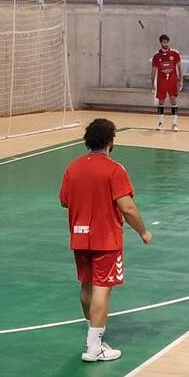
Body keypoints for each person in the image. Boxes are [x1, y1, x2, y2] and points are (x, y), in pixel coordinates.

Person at [59, 118, 152, 362]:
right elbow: (128, 207)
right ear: (110, 141)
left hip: (79, 236)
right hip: (106, 237)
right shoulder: (114, 169)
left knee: (86, 285)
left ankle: (93, 335)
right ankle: (94, 346)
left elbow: (64, 200)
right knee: (102, 288)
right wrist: (143, 231)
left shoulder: (73, 167)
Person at [151, 34, 183, 132]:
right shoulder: (156, 56)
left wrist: (181, 80)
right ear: (161, 43)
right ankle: (160, 124)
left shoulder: (175, 53)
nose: (166, 44)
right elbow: (153, 71)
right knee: (161, 101)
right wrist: (152, 83)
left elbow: (180, 67)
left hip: (172, 82)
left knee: (173, 100)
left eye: (167, 42)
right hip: (161, 82)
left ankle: (174, 124)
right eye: (164, 42)